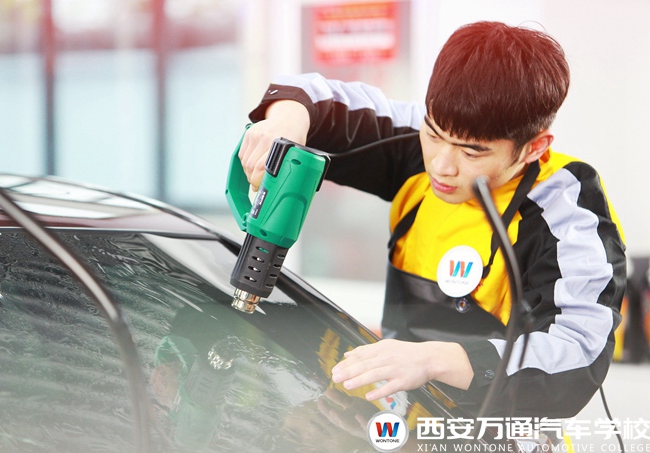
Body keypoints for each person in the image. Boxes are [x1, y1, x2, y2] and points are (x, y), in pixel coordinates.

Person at [237, 21, 626, 418]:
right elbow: (313, 97)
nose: (441, 165)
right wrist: (284, 125)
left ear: (533, 148)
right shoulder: (422, 133)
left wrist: (433, 360)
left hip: (492, 433)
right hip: (395, 419)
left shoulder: (568, 210)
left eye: (471, 153)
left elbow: (578, 350)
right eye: (434, 135)